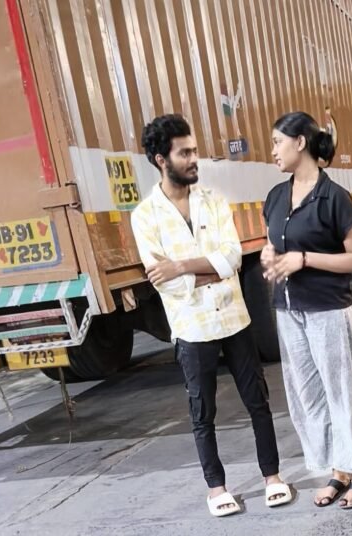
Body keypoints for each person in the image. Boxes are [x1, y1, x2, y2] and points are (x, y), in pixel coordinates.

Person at [130, 114, 292, 517]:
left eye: (194, 151)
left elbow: (232, 258)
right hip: (191, 326)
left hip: (234, 318)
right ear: (160, 160)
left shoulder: (214, 201)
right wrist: (206, 270)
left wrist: (182, 267)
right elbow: (163, 282)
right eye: (184, 153)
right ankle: (216, 488)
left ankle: (272, 477)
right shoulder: (145, 216)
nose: (193, 160)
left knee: (257, 401)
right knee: (202, 412)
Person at [261, 111, 352, 510]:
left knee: (340, 393)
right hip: (288, 310)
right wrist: (270, 256)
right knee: (308, 397)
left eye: (277, 142)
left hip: (327, 309)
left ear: (300, 142)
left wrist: (305, 259)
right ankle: (337, 469)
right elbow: (272, 243)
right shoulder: (275, 197)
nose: (273, 151)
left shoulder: (333, 197)